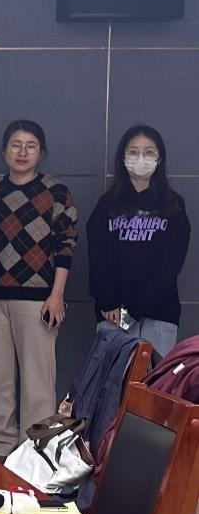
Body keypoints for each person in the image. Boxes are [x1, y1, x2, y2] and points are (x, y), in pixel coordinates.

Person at [0, 120, 78, 458]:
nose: (22, 152)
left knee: (37, 382)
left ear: (41, 153)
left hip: (38, 300)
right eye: (15, 145)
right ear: (4, 150)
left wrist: (57, 295)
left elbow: (66, 246)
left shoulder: (57, 192)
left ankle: (34, 456)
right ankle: (2, 453)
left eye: (30, 146)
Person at [89, 125, 191, 356]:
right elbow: (97, 258)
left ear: (159, 158)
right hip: (113, 314)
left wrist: (134, 311)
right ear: (122, 157)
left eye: (149, 152)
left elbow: (171, 264)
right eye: (133, 152)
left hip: (159, 314)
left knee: (154, 378)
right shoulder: (107, 205)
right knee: (114, 378)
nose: (140, 158)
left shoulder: (173, 206)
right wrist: (109, 302)